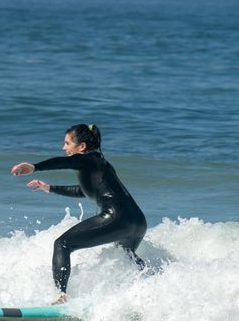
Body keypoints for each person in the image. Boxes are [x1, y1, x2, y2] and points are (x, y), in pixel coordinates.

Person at [11, 124, 147, 304]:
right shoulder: (100, 163)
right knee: (125, 256)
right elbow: (84, 191)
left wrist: (34, 167)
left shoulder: (87, 159)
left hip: (117, 217)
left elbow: (63, 162)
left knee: (62, 244)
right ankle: (154, 283)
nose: (64, 147)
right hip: (137, 221)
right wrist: (49, 188)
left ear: (81, 147)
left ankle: (60, 296)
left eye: (67, 143)